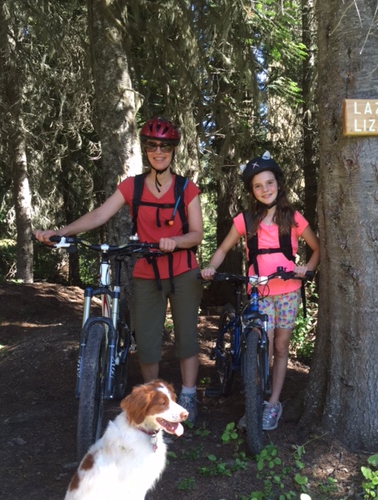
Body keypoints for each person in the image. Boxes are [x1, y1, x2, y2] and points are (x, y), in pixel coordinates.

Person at [34, 116, 203, 423]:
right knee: (147, 342)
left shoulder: (186, 188)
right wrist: (62, 231)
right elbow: (100, 215)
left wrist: (175, 241)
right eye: (152, 145)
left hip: (182, 270)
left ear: (174, 150)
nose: (158, 151)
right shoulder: (132, 186)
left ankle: (189, 394)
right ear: (146, 150)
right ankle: (155, 401)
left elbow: (196, 234)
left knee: (187, 337)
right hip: (146, 272)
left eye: (165, 146)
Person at [201, 151, 320, 431]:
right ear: (251, 191)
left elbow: (317, 248)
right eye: (258, 186)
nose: (265, 189)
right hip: (259, 291)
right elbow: (223, 249)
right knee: (261, 344)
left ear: (278, 184)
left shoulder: (292, 217)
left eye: (269, 183)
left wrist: (306, 269)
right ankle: (254, 404)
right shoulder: (245, 220)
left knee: (280, 346)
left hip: (288, 290)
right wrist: (210, 267)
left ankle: (273, 403)